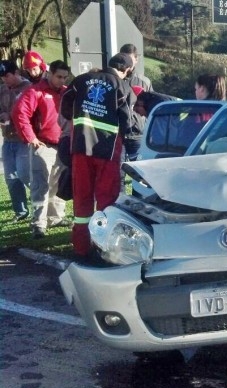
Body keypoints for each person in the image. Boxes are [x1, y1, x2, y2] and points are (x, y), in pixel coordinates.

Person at [60, 53, 134, 258]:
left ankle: (81, 247)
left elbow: (65, 106)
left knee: (82, 197)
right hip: (108, 150)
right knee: (106, 200)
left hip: (81, 147)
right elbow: (127, 120)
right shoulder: (121, 85)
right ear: (127, 70)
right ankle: (104, 248)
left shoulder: (81, 80)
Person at [12, 60, 71, 239]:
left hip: (61, 144)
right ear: (49, 74)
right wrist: (31, 138)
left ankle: (55, 217)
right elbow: (19, 113)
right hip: (43, 144)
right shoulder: (35, 91)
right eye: (59, 76)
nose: (61, 80)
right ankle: (38, 224)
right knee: (40, 186)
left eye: (64, 77)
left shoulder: (66, 92)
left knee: (58, 184)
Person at [0, 60, 32, 222]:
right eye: (2, 77)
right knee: (11, 177)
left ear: (17, 73)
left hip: (24, 140)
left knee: (26, 174)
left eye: (7, 76)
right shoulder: (2, 89)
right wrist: (2, 116)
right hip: (8, 139)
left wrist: (12, 117)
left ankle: (42, 207)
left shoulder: (29, 88)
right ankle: (20, 211)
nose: (5, 80)